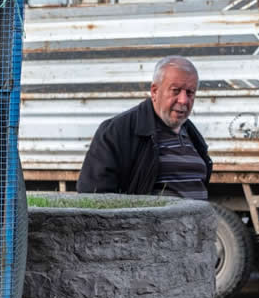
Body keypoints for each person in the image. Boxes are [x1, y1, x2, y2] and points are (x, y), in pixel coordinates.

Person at [77, 56, 212, 198]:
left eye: (190, 92)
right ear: (154, 91)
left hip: (198, 220)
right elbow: (93, 197)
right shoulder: (118, 131)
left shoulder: (192, 135)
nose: (184, 100)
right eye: (176, 90)